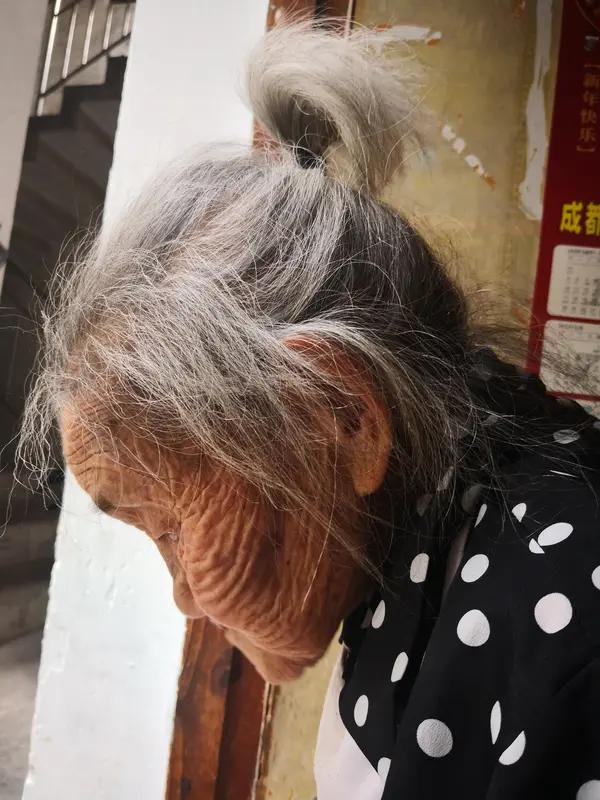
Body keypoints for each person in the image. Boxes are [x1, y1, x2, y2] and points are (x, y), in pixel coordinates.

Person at [19, 23, 600, 800]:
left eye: (169, 526)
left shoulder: (566, 629)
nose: (183, 596)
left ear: (340, 416)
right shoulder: (448, 501)